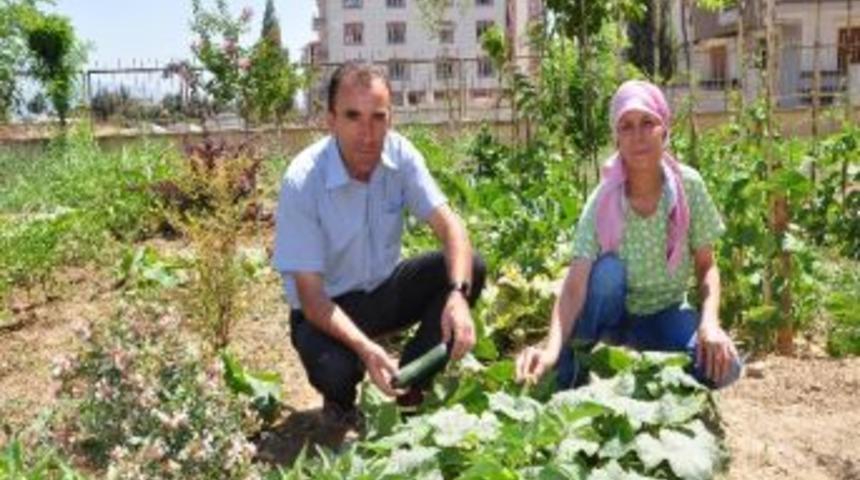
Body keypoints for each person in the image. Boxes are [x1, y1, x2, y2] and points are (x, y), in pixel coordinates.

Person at [273, 62, 485, 431]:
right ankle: (340, 404)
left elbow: (452, 228)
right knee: (335, 369)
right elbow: (311, 298)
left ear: (391, 118)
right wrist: (366, 348)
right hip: (326, 309)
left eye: (378, 117)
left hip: (383, 292)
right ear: (331, 120)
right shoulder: (303, 180)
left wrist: (457, 295)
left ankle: (412, 385)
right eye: (353, 116)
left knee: (471, 268)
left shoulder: (400, 155)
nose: (367, 134)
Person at [516, 79, 742, 390]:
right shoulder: (604, 199)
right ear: (616, 138)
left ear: (664, 128)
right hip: (613, 318)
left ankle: (653, 363)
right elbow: (574, 286)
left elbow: (707, 266)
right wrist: (552, 349)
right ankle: (573, 362)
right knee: (608, 272)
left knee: (725, 367)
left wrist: (710, 323)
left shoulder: (689, 186)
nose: (638, 136)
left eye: (648, 122)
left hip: (666, 312)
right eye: (626, 126)